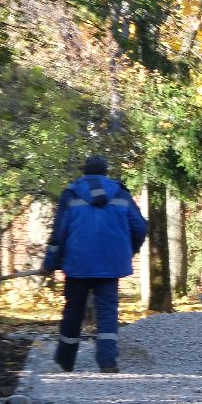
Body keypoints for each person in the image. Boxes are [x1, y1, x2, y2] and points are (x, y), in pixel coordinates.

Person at [41, 154, 147, 373]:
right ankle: (108, 362)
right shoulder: (120, 193)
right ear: (105, 172)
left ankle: (65, 362)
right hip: (110, 265)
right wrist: (130, 250)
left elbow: (59, 233)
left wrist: (50, 263)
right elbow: (140, 227)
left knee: (73, 311)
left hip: (77, 264)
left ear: (85, 172)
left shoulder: (71, 194)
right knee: (107, 312)